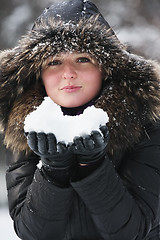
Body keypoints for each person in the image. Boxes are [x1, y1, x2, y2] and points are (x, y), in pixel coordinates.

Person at [0, 0, 160, 239]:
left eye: (83, 59)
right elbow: (31, 232)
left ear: (106, 67)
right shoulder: (25, 127)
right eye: (54, 62)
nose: (68, 73)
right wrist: (53, 171)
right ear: (38, 74)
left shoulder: (145, 123)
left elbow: (132, 231)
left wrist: (92, 166)